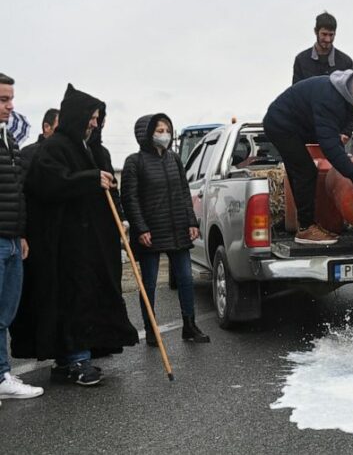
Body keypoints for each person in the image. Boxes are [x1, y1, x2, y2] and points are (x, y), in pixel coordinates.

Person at [11, 84, 138, 386]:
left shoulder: (87, 148)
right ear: (78, 117)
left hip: (87, 243)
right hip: (65, 244)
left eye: (97, 118)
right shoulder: (55, 147)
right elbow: (51, 183)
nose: (95, 123)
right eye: (91, 118)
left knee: (83, 298)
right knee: (73, 299)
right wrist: (91, 178)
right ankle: (77, 360)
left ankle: (70, 359)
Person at [121, 114, 210, 346]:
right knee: (149, 283)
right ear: (147, 134)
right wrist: (140, 228)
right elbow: (130, 199)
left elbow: (183, 191)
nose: (164, 134)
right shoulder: (135, 162)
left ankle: (189, 326)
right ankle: (151, 329)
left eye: (167, 129)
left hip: (178, 228)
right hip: (151, 232)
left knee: (185, 279)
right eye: (159, 130)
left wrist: (192, 222)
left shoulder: (174, 159)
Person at [264, 70, 353, 244]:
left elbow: (348, 119)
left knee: (299, 171)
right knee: (306, 171)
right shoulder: (330, 98)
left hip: (299, 125)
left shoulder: (347, 97)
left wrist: (343, 133)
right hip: (281, 124)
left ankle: (302, 222)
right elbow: (328, 147)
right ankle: (305, 229)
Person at [0, 73, 43, 403]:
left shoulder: (10, 141)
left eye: (11, 99)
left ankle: (2, 374)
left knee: (5, 313)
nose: (10, 106)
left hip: (12, 239)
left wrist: (22, 234)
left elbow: (17, 192)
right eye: (3, 100)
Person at [292, 12, 353, 85]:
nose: (328, 39)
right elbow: (296, 93)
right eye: (324, 34)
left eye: (331, 35)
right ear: (316, 31)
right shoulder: (301, 60)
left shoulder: (346, 63)